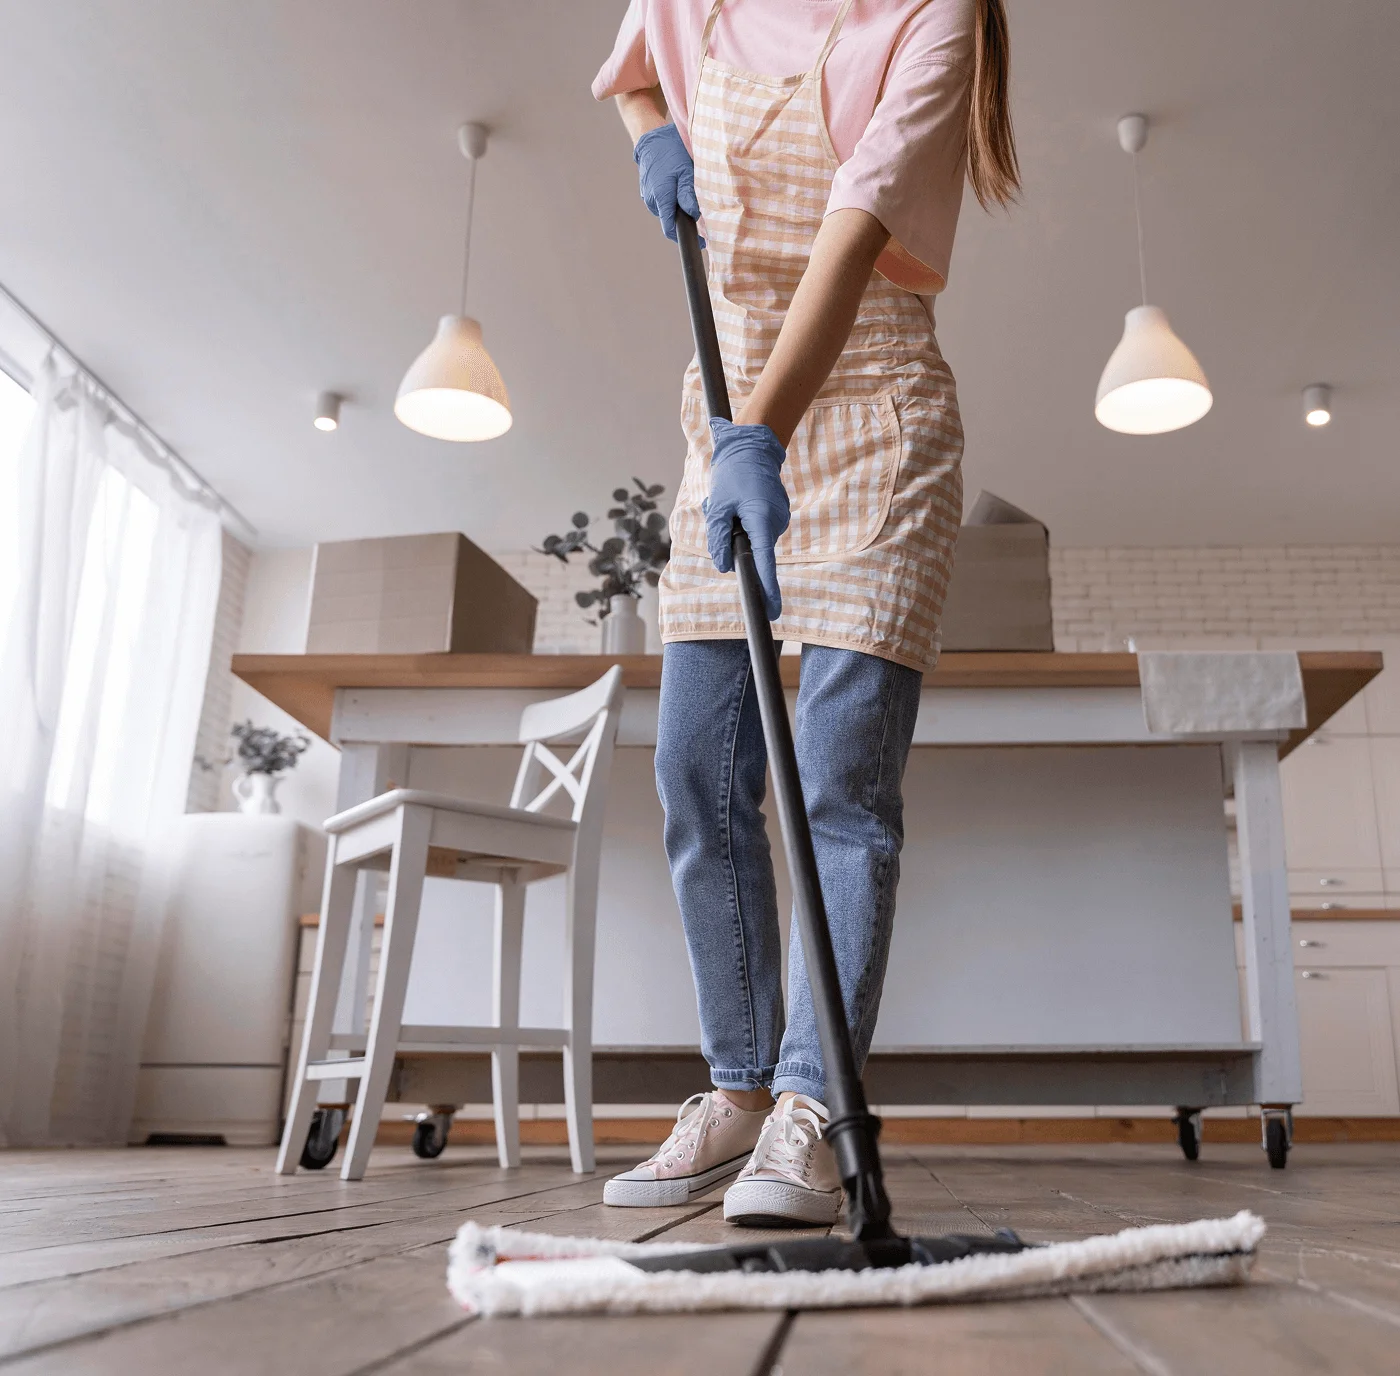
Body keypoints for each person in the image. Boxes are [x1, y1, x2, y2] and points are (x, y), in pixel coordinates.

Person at [592, 0, 1019, 1226]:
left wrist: (761, 438)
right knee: (695, 770)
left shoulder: (940, 18)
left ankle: (808, 1104)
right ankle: (732, 1088)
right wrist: (647, 139)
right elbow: (634, 75)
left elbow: (851, 235)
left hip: (868, 410)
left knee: (838, 788)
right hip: (726, 409)